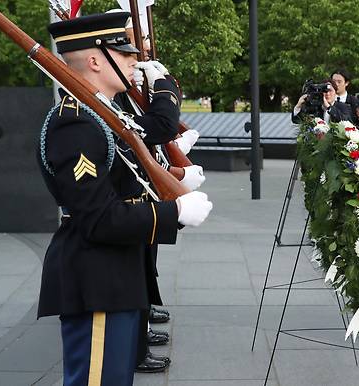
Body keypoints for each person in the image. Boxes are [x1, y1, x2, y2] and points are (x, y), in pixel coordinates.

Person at [39, 12, 212, 385]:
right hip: (96, 277)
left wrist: (176, 181)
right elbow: (98, 217)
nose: (134, 59)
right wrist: (173, 210)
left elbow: (128, 183)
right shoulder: (76, 124)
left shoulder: (104, 114)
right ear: (95, 60)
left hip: (116, 271)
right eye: (123, 53)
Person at [330, 68, 359, 133]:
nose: (336, 84)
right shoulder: (325, 98)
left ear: (346, 83)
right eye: (333, 81)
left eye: (339, 82)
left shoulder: (355, 102)